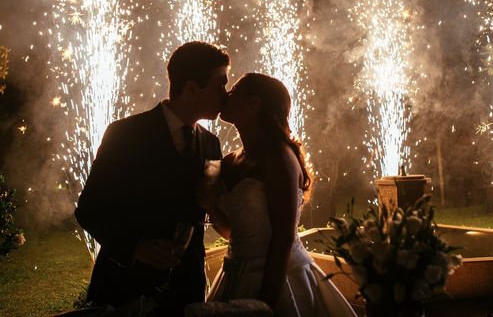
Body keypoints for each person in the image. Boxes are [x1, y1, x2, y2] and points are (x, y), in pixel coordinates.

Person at [75, 41, 229, 316]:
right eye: (220, 85)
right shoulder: (125, 134)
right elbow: (89, 210)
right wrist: (135, 247)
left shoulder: (211, 145)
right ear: (192, 88)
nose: (225, 95)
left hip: (186, 289)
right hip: (127, 287)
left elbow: (205, 207)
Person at [200, 73, 357, 317]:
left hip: (281, 279)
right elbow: (235, 232)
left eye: (235, 91)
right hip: (234, 276)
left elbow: (283, 237)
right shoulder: (229, 161)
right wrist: (210, 206)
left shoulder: (279, 157)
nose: (226, 95)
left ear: (254, 104)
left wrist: (266, 300)